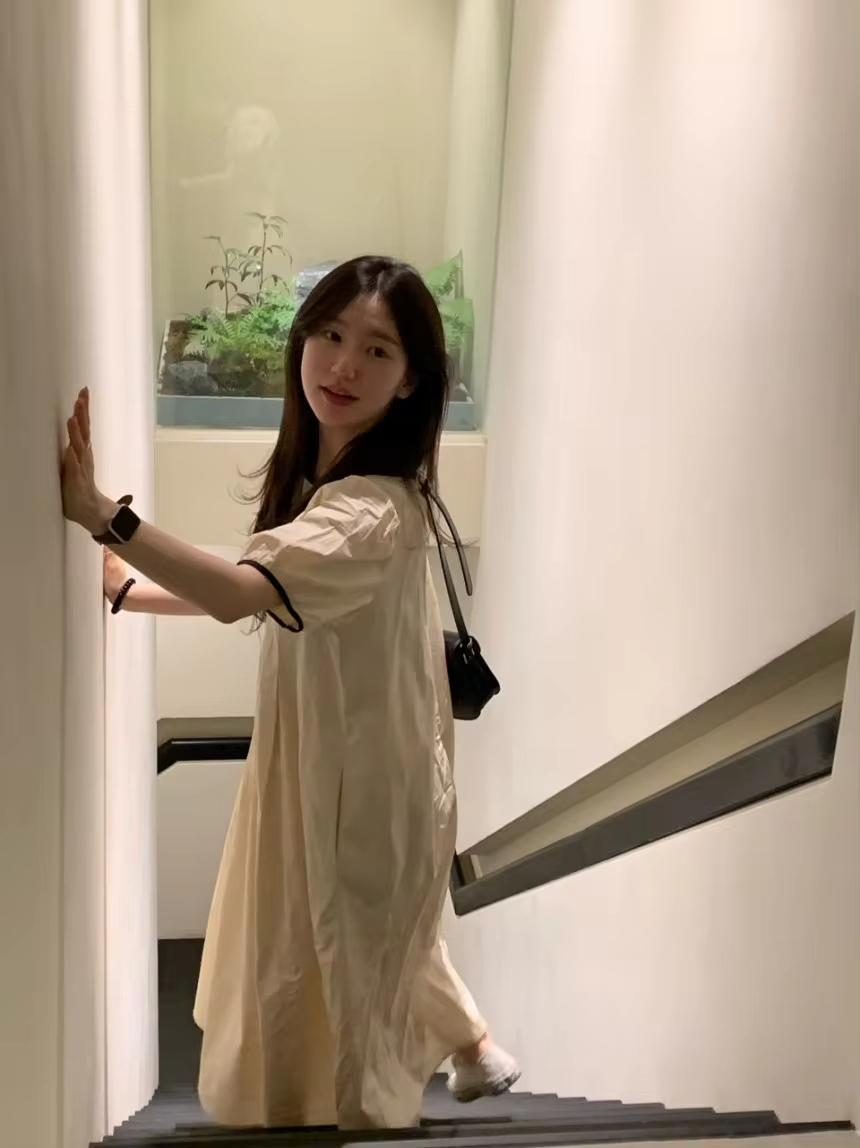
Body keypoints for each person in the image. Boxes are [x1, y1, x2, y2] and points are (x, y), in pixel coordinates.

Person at [61, 256, 520, 1130]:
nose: (343, 365)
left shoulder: (365, 511)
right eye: (331, 334)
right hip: (346, 760)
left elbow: (244, 592)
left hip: (355, 776)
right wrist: (131, 592)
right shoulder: (339, 487)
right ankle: (467, 1050)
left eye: (377, 350)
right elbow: (266, 593)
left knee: (337, 953)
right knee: (358, 938)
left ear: (411, 378)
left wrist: (103, 516)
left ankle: (359, 1115)